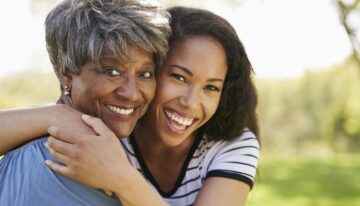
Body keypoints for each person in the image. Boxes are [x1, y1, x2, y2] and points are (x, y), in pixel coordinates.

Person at [0, 5, 260, 206]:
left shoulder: (232, 145)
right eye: (178, 77)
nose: (191, 102)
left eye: (211, 87)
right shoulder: (111, 126)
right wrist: (58, 114)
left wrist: (122, 178)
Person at [0, 0, 171, 205]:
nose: (132, 94)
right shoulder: (54, 162)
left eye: (145, 74)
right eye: (112, 72)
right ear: (67, 76)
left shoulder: (121, 151)